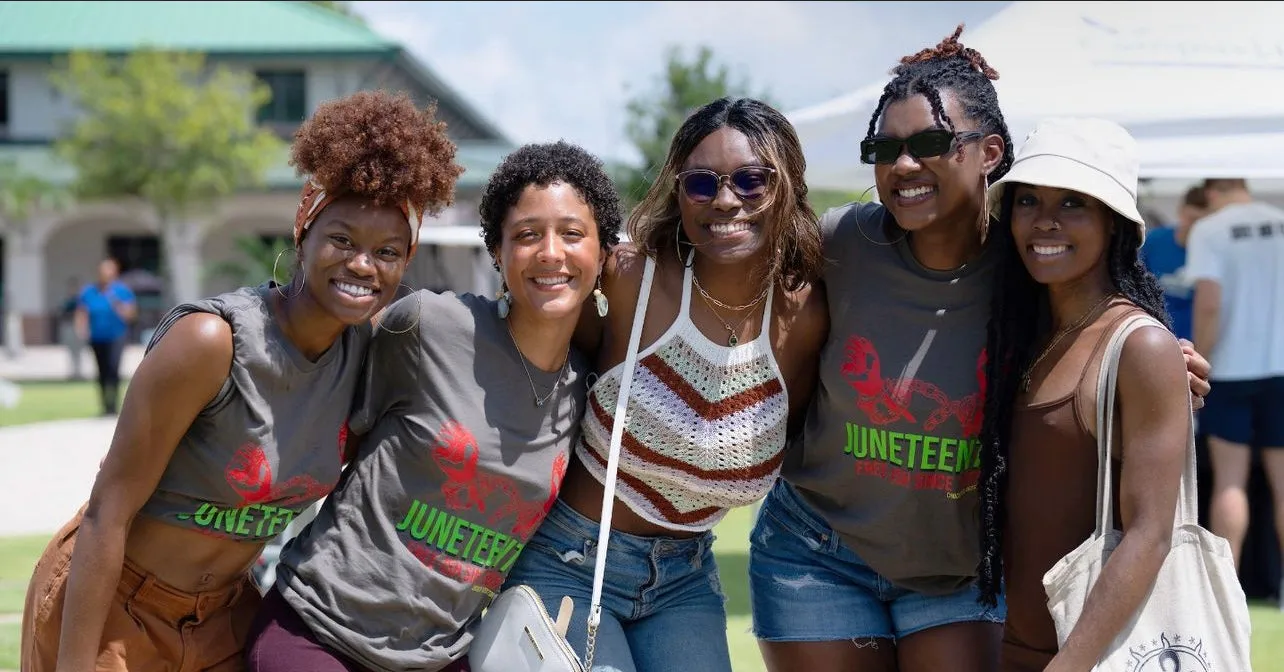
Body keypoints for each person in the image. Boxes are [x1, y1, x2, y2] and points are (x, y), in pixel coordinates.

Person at [747, 26, 1212, 672]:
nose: (904, 165)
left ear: (989, 150)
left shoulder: (1031, 261)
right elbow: (735, 271)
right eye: (884, 148)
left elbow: (1108, 329)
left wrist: (1165, 360)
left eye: (930, 144)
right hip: (817, 553)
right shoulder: (843, 241)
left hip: (963, 573)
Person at [21, 90, 462, 672]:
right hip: (113, 605)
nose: (362, 265)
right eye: (342, 240)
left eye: (387, 251)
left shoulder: (370, 356)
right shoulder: (212, 342)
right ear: (303, 228)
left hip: (224, 617)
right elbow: (108, 514)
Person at [243, 140, 623, 672]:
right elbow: (328, 432)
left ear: (604, 254)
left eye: (573, 234)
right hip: (320, 631)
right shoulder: (428, 326)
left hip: (439, 656)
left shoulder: (592, 389)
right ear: (496, 251)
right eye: (527, 235)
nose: (550, 253)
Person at [503, 97, 829, 672]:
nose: (726, 200)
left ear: (786, 187)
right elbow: (526, 352)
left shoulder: (802, 318)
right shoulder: (630, 280)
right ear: (679, 195)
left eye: (752, 180)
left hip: (685, 578)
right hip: (571, 560)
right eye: (702, 183)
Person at [979, 117, 1191, 671]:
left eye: (1074, 203)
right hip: (1010, 648)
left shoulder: (1140, 346)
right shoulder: (1023, 335)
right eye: (1028, 201)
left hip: (1093, 657)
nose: (1044, 221)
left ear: (1115, 225)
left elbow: (1149, 536)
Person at [1187, 178, 1284, 579]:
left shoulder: (1210, 229)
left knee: (1230, 482)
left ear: (1211, 192)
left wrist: (1199, 362)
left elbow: (1209, 303)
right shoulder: (1280, 221)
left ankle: (1227, 591)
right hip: (1280, 368)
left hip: (1228, 371)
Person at [1139, 185, 1208, 342]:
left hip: (1196, 343)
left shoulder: (1213, 251)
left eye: (1203, 222)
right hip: (1158, 337)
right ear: (1181, 211)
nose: (1196, 227)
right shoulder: (1155, 241)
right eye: (1192, 219)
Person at [74, 258, 137, 414]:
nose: (105, 274)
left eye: (108, 270)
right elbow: (82, 311)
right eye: (102, 271)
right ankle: (104, 406)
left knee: (113, 369)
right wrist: (81, 328)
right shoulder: (89, 291)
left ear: (114, 273)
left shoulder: (122, 291)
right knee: (101, 371)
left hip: (116, 336)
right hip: (97, 336)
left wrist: (117, 304)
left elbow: (131, 315)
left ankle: (114, 405)